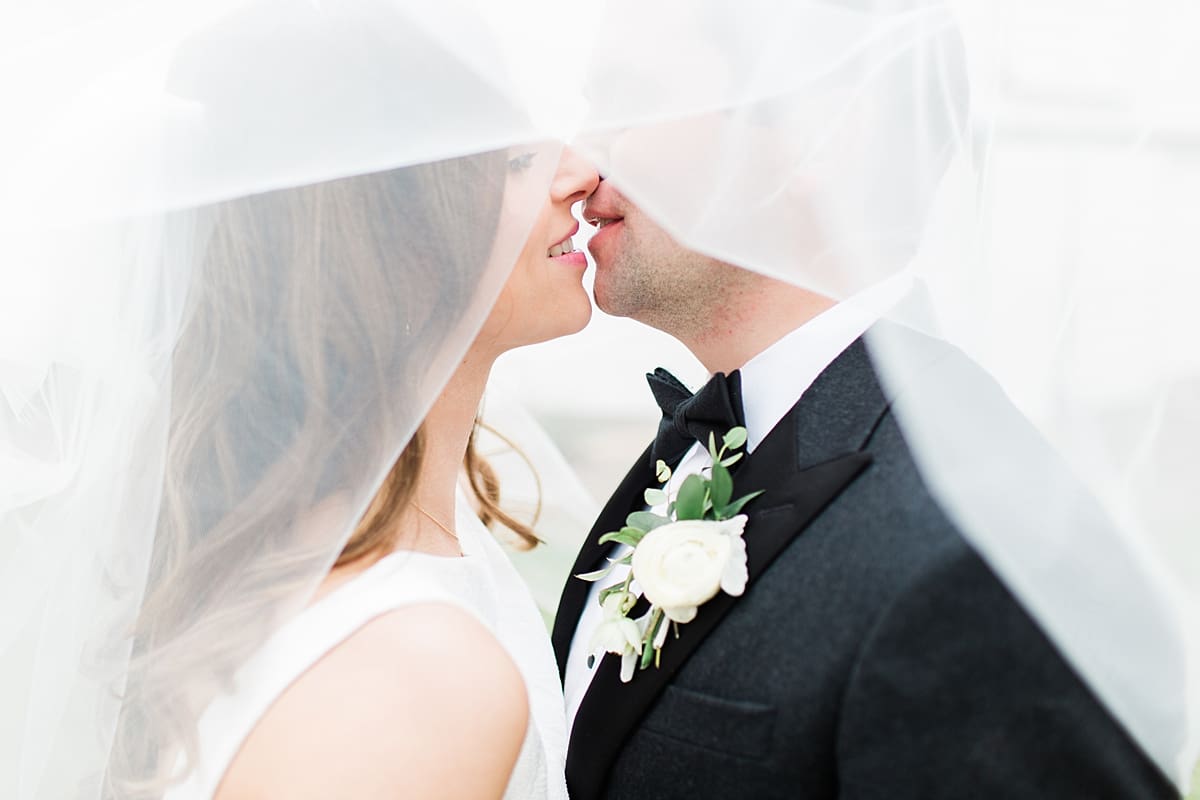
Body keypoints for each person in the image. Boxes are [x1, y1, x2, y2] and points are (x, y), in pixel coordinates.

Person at [551, 174, 1181, 798]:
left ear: (806, 145)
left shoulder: (972, 554)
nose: (583, 165)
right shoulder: (710, 436)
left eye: (630, 103)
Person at [103, 148, 599, 800]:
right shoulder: (407, 674)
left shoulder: (405, 545)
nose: (580, 174)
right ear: (391, 245)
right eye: (514, 160)